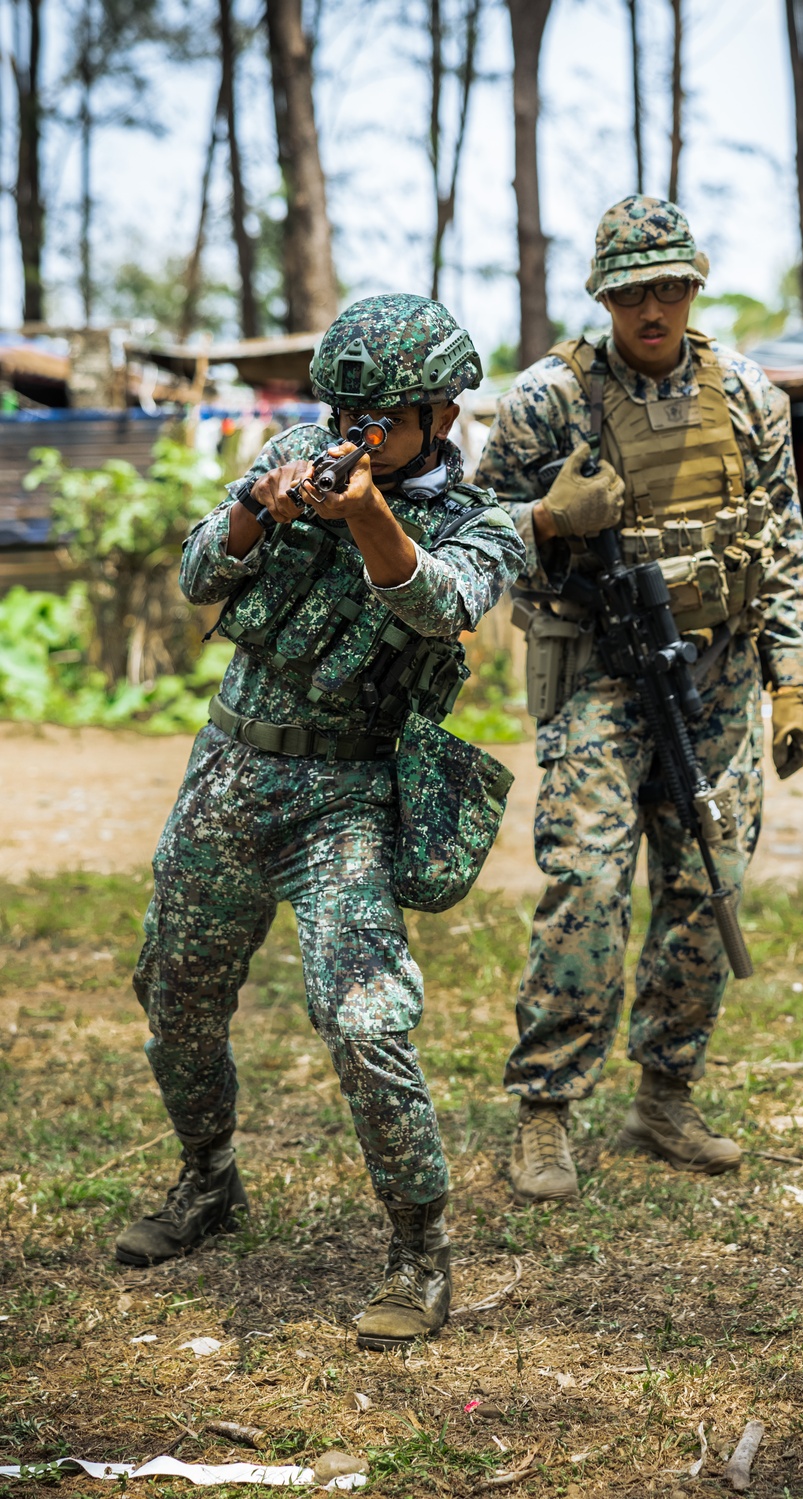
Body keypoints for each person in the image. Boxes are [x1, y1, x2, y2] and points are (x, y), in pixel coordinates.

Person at [115, 294, 525, 1350]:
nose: (353, 433)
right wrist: (262, 502)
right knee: (177, 992)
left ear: (438, 413)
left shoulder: (479, 518)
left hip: (344, 793)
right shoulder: (299, 453)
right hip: (232, 767)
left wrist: (361, 513)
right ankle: (208, 1178)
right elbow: (197, 572)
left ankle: (419, 1251)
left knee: (364, 1019)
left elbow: (439, 603)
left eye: (378, 418)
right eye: (343, 411)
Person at [475, 197, 803, 1203]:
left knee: (707, 886)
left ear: (692, 288)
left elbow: (781, 538)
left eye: (669, 287)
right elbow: (473, 527)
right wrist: (547, 517)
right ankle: (546, 1108)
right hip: (595, 670)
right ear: (605, 297)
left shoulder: (750, 394)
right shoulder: (546, 399)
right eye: (633, 292)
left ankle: (664, 1092)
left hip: (713, 672)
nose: (653, 308)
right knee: (584, 881)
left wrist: (791, 680)